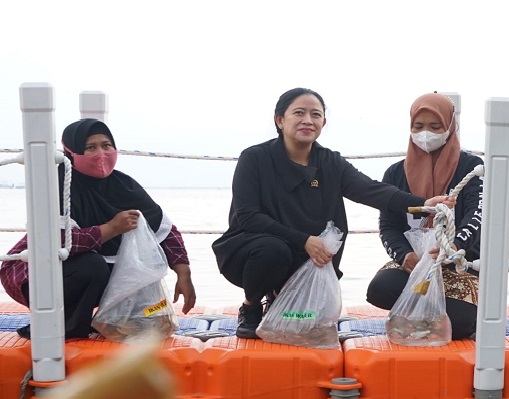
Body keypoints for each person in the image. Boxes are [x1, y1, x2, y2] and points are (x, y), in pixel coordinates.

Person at [212, 88, 454, 339]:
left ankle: (279, 302)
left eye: (315, 114)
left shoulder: (330, 162)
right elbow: (247, 216)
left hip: (315, 256)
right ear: (280, 120)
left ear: (323, 123)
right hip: (256, 250)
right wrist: (304, 240)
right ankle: (251, 307)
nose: (308, 120)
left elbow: (371, 190)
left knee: (306, 315)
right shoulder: (254, 158)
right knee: (272, 250)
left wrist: (424, 203)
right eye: (299, 113)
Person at [0, 119, 197, 339]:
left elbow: (163, 229)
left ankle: (113, 321)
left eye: (106, 145)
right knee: (92, 265)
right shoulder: (56, 184)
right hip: (34, 276)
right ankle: (65, 328)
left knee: (141, 269)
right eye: (90, 148)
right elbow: (55, 240)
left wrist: (183, 273)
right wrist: (110, 229)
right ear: (71, 152)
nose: (101, 154)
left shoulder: (124, 185)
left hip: (93, 272)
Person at [366, 92, 483, 340]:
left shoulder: (473, 169)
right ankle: (425, 315)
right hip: (415, 263)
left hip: (461, 265)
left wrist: (453, 247)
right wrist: (404, 255)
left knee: (461, 324)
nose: (425, 134)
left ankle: (415, 315)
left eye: (435, 126)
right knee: (379, 290)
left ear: (450, 127)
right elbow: (388, 225)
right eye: (418, 127)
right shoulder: (396, 172)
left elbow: (476, 216)